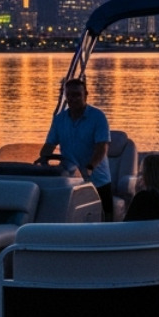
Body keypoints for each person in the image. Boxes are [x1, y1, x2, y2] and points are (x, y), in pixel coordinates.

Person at [38, 76, 114, 221]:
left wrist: (90, 166)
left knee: (106, 218)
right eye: (69, 96)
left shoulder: (98, 117)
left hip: (97, 178)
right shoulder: (59, 119)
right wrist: (43, 160)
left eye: (77, 95)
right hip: (70, 179)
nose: (73, 99)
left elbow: (101, 147)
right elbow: (49, 145)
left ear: (86, 95)